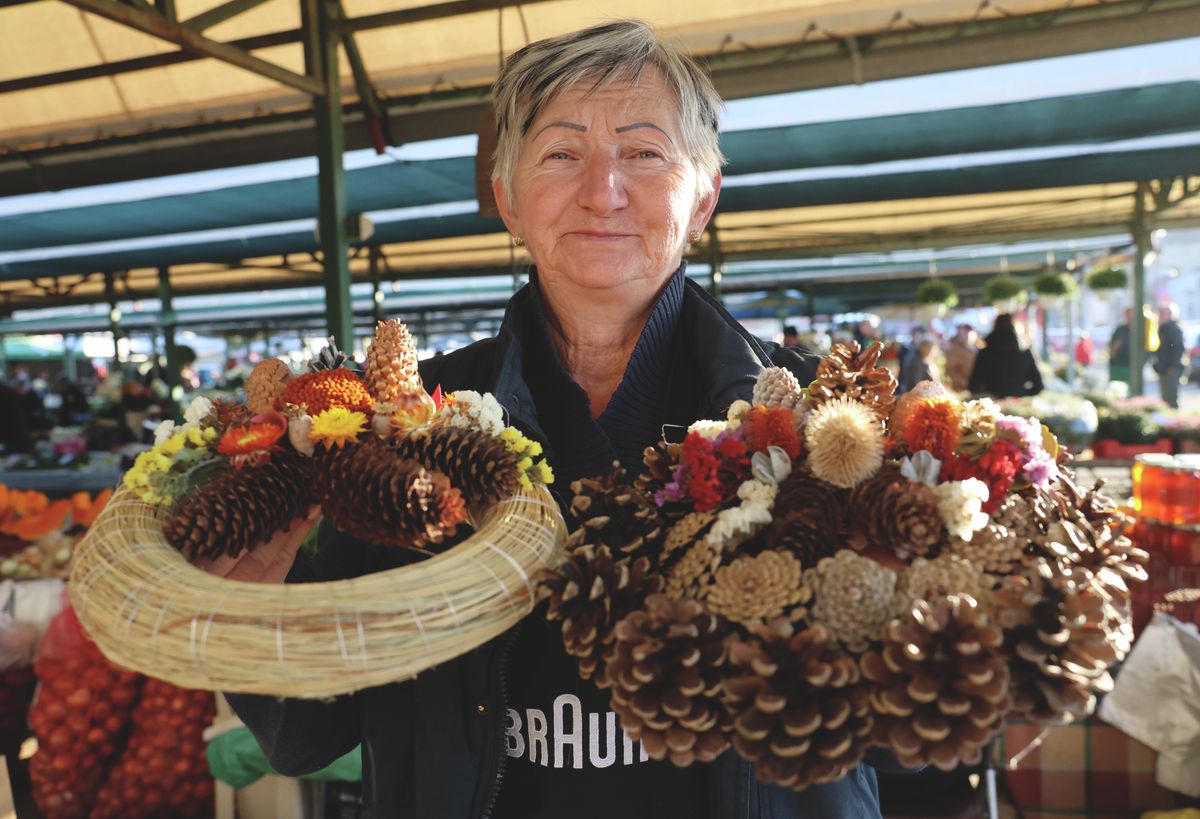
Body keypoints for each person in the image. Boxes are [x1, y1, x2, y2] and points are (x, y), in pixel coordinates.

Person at [211, 21, 887, 819]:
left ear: (703, 198)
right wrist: (250, 616)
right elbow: (311, 727)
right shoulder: (396, 421)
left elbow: (893, 706)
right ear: (507, 199)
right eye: (562, 154)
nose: (603, 190)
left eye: (644, 153)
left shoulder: (829, 422)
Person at [967, 313, 1043, 398]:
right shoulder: (1025, 353)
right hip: (1018, 403)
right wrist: (1021, 394)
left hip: (992, 404)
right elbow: (1038, 386)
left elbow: (974, 385)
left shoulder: (985, 353)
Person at [1155, 303, 1186, 408]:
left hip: (1171, 369)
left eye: (1163, 313)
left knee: (1171, 399)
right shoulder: (1162, 328)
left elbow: (1179, 349)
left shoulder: (1174, 329)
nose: (1160, 315)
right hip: (1164, 368)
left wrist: (1172, 367)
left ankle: (1174, 421)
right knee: (1165, 399)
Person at [943, 324, 977, 392]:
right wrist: (963, 383)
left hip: (975, 387)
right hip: (960, 389)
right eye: (961, 334)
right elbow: (950, 371)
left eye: (966, 333)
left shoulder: (975, 348)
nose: (964, 336)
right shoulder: (954, 350)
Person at [1108, 308, 1133, 385]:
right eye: (1127, 315)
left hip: (1131, 366)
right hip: (1118, 365)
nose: (1129, 318)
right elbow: (1112, 346)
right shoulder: (1120, 330)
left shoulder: (1139, 330)